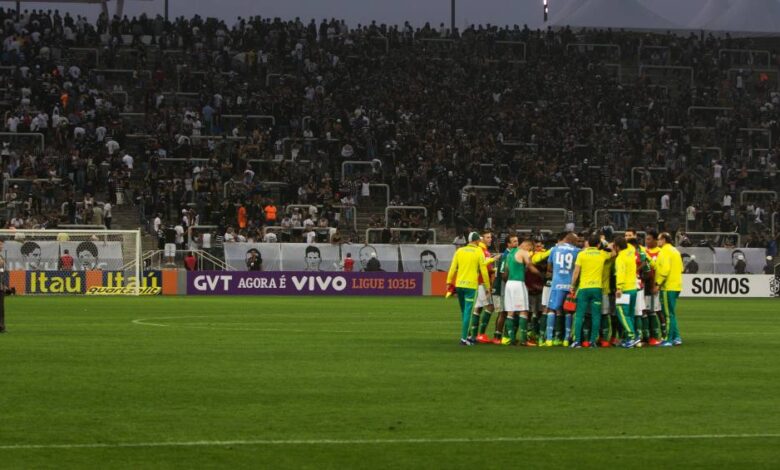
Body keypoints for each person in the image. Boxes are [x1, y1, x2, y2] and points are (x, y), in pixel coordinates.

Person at [446, 232, 491, 346]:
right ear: (477, 241)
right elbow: (484, 270)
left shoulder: (459, 251)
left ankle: (468, 335)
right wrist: (487, 286)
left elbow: (452, 268)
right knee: (468, 313)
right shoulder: (478, 252)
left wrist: (448, 282)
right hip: (471, 286)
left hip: (459, 285)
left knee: (464, 312)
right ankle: (464, 339)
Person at [570, 234, 614, 348]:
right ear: (598, 244)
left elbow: (576, 272)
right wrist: (605, 245)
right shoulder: (602, 254)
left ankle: (577, 341)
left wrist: (572, 285)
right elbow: (614, 252)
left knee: (580, 315)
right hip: (597, 288)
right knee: (596, 316)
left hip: (584, 288)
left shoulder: (582, 254)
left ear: (587, 243)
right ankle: (592, 341)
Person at [502, 239, 540, 346]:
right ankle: (524, 340)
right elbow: (530, 266)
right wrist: (540, 275)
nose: (530, 251)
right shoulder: (523, 252)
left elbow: (505, 271)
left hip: (509, 284)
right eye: (531, 249)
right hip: (518, 283)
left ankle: (512, 339)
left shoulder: (510, 253)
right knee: (524, 311)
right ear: (527, 246)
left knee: (510, 312)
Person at [654, 232, 684, 347]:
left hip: (668, 287)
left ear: (664, 240)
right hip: (676, 286)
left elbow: (665, 270)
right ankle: (676, 337)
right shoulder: (675, 251)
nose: (658, 241)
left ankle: (667, 339)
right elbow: (681, 268)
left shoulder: (664, 251)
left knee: (667, 314)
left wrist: (658, 283)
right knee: (671, 313)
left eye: (659, 239)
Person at [611, 236, 641, 348]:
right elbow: (628, 245)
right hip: (633, 288)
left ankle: (632, 337)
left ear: (617, 247)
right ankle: (630, 338)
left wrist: (619, 288)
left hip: (624, 290)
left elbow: (621, 273)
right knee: (630, 314)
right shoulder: (631, 251)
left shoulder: (620, 258)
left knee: (622, 313)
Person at [642, 231, 664, 345]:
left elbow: (661, 270)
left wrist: (658, 285)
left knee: (657, 310)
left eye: (649, 239)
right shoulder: (644, 252)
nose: (647, 241)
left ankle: (662, 334)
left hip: (655, 286)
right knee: (646, 310)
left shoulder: (661, 252)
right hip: (645, 286)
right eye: (646, 239)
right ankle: (648, 336)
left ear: (656, 240)